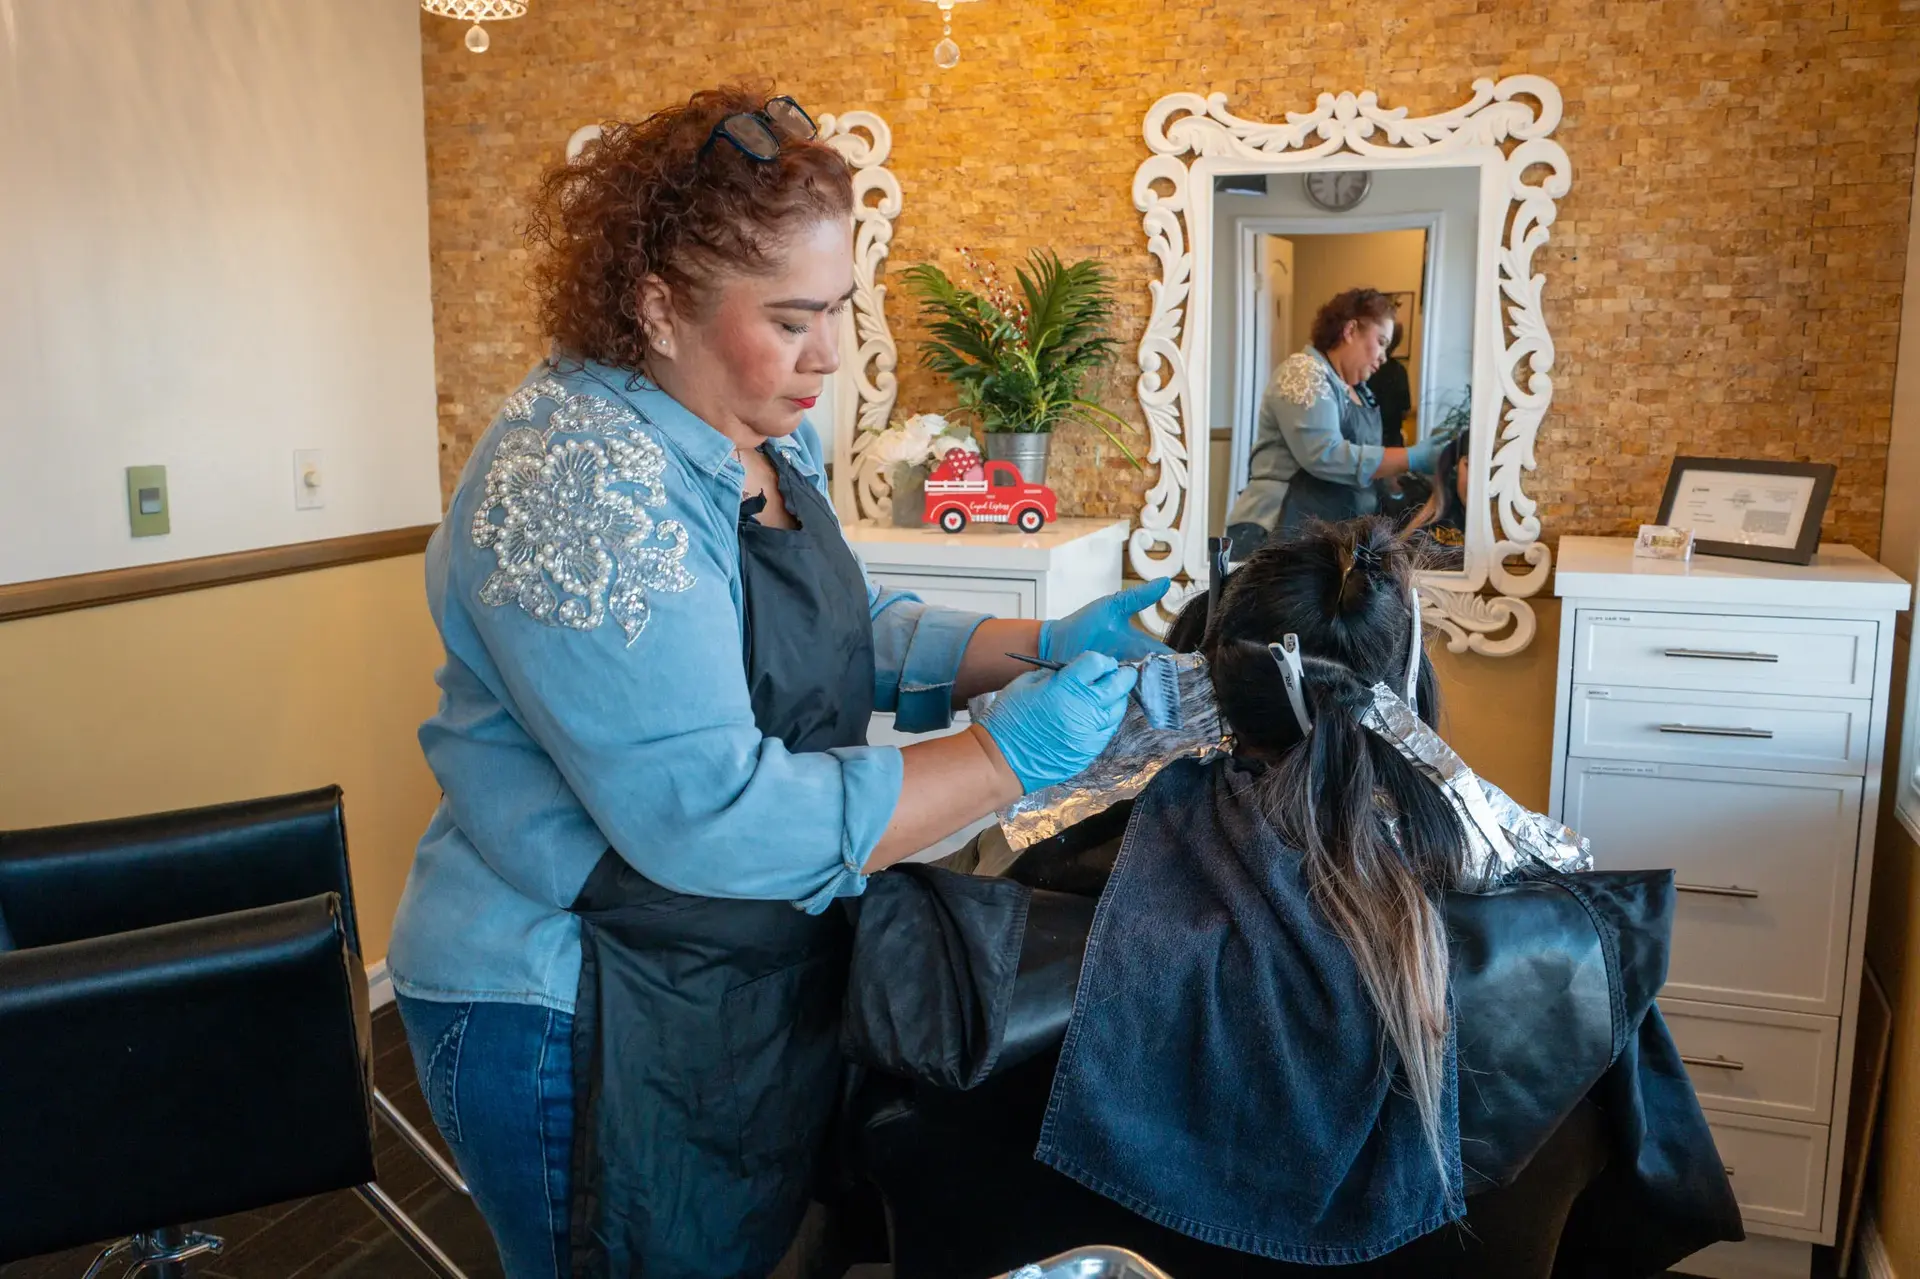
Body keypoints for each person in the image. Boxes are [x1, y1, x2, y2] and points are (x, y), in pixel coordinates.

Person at [383, 87, 1169, 1279]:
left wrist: (1028, 645)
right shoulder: (579, 479)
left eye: (839, 310)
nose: (833, 354)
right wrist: (1004, 759)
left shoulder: (753, 429)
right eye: (793, 317)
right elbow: (715, 813)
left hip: (723, 970)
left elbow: (832, 624)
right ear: (656, 306)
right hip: (570, 999)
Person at [1222, 288, 1441, 560]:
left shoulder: (1360, 392)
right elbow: (1324, 454)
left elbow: (1365, 465)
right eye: (1381, 341)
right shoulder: (1303, 372)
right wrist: (1411, 457)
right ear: (1350, 330)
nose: (1385, 357)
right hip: (1278, 530)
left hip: (1327, 536)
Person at [1366, 317, 1412, 449]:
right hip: (1391, 441)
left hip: (1367, 443)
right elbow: (1406, 410)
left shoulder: (1365, 368)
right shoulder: (1399, 370)